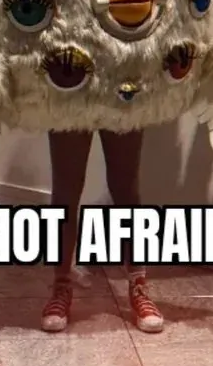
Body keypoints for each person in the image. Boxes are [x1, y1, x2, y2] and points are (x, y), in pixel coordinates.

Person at [40, 131, 164, 333]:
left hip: (123, 109)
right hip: (67, 109)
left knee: (126, 188)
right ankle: (61, 285)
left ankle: (138, 285)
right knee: (65, 191)